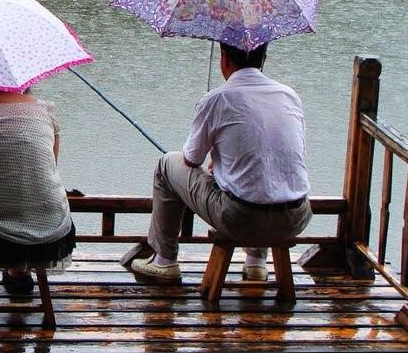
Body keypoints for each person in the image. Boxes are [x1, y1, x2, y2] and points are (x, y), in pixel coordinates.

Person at [126, 42, 311, 282]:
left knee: (166, 164)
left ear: (224, 58)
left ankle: (165, 259)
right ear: (263, 57)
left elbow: (191, 160)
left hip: (241, 220)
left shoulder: (217, 99)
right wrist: (224, 164)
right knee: (265, 177)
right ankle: (256, 263)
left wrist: (218, 163)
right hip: (295, 218)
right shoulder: (289, 96)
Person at [0, 88, 75, 295]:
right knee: (33, 184)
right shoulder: (45, 110)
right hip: (51, 227)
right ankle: (19, 274)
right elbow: (51, 165)